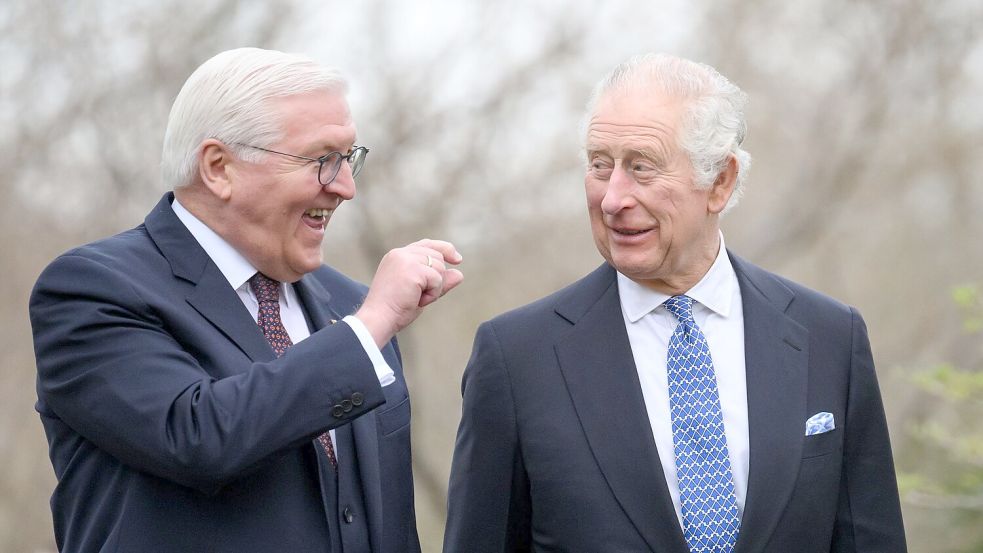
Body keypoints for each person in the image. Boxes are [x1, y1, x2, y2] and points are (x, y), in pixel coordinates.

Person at [444, 53, 905, 552]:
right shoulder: (517, 358)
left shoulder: (830, 337)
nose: (612, 198)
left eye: (641, 168)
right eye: (601, 165)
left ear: (720, 182)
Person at [29, 47, 462, 553]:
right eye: (322, 160)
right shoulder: (91, 290)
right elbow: (198, 437)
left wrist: (367, 325)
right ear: (219, 168)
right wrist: (370, 327)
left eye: (348, 159)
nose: (345, 187)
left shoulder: (350, 305)